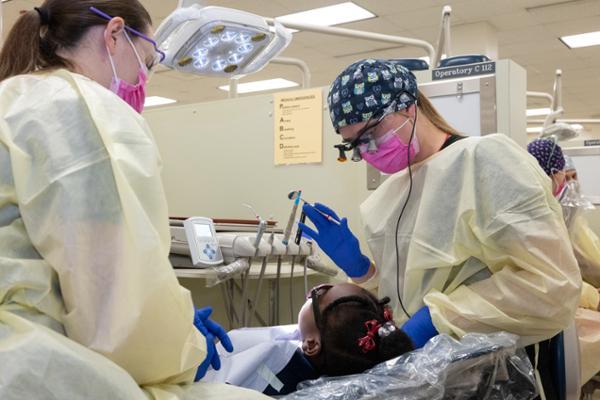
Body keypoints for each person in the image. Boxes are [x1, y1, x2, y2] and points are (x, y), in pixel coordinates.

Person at [0, 1, 268, 399]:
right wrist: (183, 347)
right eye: (147, 62)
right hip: (32, 363)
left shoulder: (11, 96)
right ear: (114, 35)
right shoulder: (84, 109)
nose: (144, 79)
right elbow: (118, 311)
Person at [298, 59, 581, 399]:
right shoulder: (390, 194)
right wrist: (362, 270)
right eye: (354, 146)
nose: (367, 151)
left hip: (492, 378)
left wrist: (438, 317)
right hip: (421, 377)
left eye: (370, 134)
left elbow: (551, 285)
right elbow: (405, 295)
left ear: (407, 106)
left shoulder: (485, 160)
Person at [204, 282, 414, 395]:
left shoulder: (280, 371)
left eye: (320, 294)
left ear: (312, 344)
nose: (316, 289)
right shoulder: (325, 359)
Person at [528, 141, 600, 386]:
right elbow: (558, 272)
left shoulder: (554, 210)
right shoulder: (544, 213)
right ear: (552, 172)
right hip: (556, 310)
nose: (570, 182)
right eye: (566, 175)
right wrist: (594, 298)